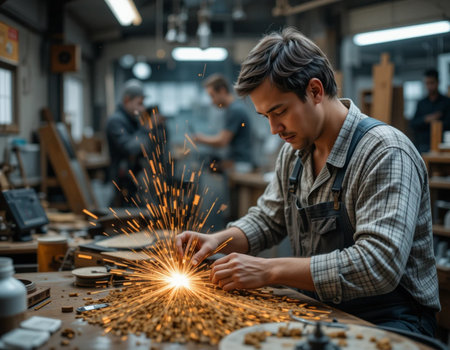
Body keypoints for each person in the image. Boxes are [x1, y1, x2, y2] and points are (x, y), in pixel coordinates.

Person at [177, 27, 440, 336]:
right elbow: (268, 219)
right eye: (265, 117)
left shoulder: (385, 152)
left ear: (315, 91)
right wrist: (216, 241)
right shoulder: (294, 153)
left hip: (391, 321)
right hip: (322, 312)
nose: (275, 128)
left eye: (280, 111)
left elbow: (377, 265)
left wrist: (270, 270)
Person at [194, 74, 254, 173]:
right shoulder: (232, 109)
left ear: (222, 90)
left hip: (240, 165)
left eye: (212, 96)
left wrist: (200, 138)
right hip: (237, 162)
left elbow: (222, 141)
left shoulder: (235, 110)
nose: (212, 102)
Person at [106, 79, 150, 206]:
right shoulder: (116, 121)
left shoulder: (133, 120)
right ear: (127, 100)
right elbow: (129, 147)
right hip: (121, 180)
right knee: (123, 215)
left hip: (134, 177)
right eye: (139, 103)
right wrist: (146, 129)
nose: (142, 108)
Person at [410, 68, 450, 153]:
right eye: (427, 83)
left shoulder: (447, 102)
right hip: (422, 146)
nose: (429, 86)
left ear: (438, 82)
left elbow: (448, 124)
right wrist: (426, 119)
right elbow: (413, 124)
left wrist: (437, 122)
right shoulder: (421, 103)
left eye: (432, 83)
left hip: (441, 145)